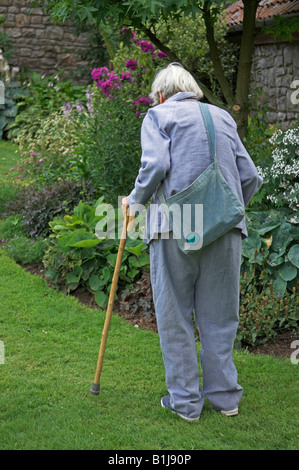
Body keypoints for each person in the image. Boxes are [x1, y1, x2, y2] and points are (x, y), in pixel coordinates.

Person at [122, 63, 263, 421]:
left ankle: (186, 403)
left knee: (175, 315)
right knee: (220, 316)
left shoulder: (158, 116)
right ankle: (225, 398)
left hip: (174, 226)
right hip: (225, 229)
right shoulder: (221, 117)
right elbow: (251, 176)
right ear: (193, 90)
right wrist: (223, 212)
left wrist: (134, 203)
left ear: (160, 94)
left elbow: (154, 166)